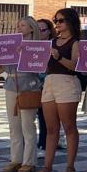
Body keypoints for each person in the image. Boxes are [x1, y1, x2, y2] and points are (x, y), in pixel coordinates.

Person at [35, 8, 82, 172]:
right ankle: (47, 165)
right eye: (55, 20)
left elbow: (76, 66)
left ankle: (70, 166)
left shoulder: (75, 42)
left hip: (67, 82)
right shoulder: (52, 41)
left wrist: (58, 57)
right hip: (49, 82)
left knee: (69, 126)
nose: (57, 23)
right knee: (51, 128)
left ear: (70, 21)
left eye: (61, 20)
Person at [0, 17, 43, 172]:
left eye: (22, 25)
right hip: (11, 84)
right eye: (17, 25)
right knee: (13, 125)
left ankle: (29, 161)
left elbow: (40, 67)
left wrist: (25, 53)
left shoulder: (37, 46)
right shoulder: (12, 44)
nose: (19, 28)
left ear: (31, 28)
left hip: (29, 85)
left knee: (27, 125)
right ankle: (15, 159)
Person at [35, 18, 54, 154]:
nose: (40, 32)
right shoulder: (30, 45)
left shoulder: (53, 46)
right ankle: (42, 143)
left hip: (50, 83)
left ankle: (46, 143)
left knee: (47, 116)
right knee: (39, 115)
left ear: (49, 32)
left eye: (43, 30)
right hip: (34, 84)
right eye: (37, 29)